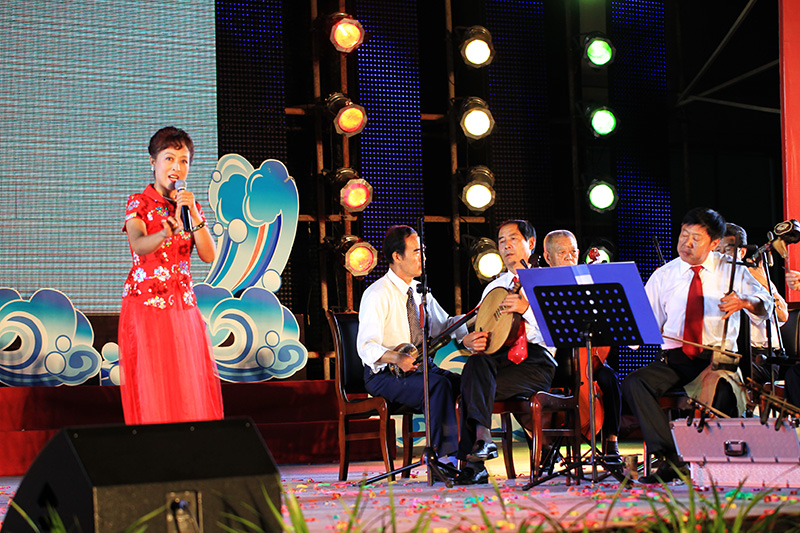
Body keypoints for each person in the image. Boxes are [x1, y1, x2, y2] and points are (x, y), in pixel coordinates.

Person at [622, 208, 772, 484]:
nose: (686, 243)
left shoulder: (732, 270)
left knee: (724, 390)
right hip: (675, 361)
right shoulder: (664, 275)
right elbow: (641, 328)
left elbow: (766, 304)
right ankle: (673, 458)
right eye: (684, 235)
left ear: (714, 243)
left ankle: (718, 464)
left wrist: (744, 301)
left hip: (716, 361)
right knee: (634, 383)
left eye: (696, 238)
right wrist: (629, 325)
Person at [118, 126, 223, 425]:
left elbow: (208, 255)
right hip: (147, 306)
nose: (176, 167)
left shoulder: (190, 206)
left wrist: (194, 214)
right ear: (153, 161)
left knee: (186, 382)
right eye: (169, 158)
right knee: (154, 382)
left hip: (183, 307)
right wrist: (164, 233)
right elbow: (139, 244)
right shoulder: (139, 202)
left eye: (184, 160)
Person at [455, 220, 558, 485]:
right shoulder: (494, 287)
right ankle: (483, 439)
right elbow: (482, 326)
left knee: (472, 387)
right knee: (476, 364)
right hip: (500, 359)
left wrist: (526, 309)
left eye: (512, 238)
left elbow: (558, 332)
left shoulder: (548, 280)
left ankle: (475, 463)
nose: (506, 245)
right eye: (501, 241)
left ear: (531, 243)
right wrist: (470, 341)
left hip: (536, 361)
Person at [356, 225, 466, 470]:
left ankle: (468, 454)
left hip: (420, 368)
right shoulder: (377, 294)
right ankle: (443, 458)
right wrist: (396, 358)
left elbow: (444, 325)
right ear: (397, 256)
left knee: (466, 384)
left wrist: (471, 324)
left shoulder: (418, 291)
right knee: (437, 386)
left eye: (423, 251)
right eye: (416, 252)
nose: (423, 258)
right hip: (385, 375)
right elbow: (366, 346)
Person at [542, 230, 623, 461]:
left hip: (586, 362)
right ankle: (545, 448)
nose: (570, 257)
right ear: (548, 257)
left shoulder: (587, 283)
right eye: (562, 252)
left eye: (573, 252)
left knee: (609, 378)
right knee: (532, 385)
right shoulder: (541, 285)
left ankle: (611, 443)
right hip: (551, 360)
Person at [716, 223, 788, 385]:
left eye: (726, 250)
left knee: (725, 377)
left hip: (761, 357)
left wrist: (763, 281)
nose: (721, 256)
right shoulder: (713, 278)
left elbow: (783, 315)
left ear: (741, 252)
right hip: (729, 352)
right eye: (717, 250)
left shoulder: (752, 276)